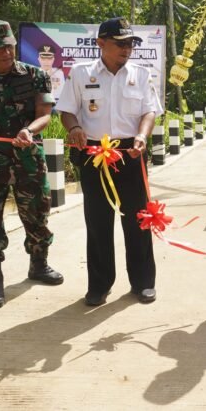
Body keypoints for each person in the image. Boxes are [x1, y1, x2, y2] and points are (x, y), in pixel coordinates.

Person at [0, 20, 64, 310]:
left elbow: (45, 115)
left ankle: (38, 265)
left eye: (9, 46)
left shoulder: (35, 76)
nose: (6, 53)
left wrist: (30, 130)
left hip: (27, 159)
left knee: (37, 213)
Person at [56, 17, 161, 307]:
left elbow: (149, 112)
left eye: (130, 44)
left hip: (130, 153)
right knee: (98, 221)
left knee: (138, 220)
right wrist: (74, 128)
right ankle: (99, 286)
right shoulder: (80, 74)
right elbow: (66, 110)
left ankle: (143, 283)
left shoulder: (140, 74)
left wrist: (142, 136)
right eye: (120, 44)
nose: (126, 49)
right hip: (94, 155)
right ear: (101, 43)